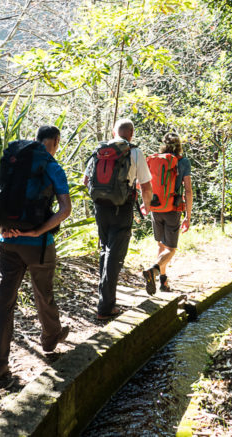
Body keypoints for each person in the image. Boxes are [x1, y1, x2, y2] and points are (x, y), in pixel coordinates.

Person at [0, 126, 72, 382]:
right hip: (38, 245)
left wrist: (2, 227)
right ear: (55, 141)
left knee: (4, 301)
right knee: (43, 293)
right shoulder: (51, 165)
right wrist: (39, 231)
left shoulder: (13, 162)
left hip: (7, 242)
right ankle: (49, 338)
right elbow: (65, 209)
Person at [84, 118, 153, 320]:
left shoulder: (100, 150)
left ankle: (105, 300)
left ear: (114, 132)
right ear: (131, 133)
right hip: (122, 208)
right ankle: (106, 307)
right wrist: (146, 206)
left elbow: (85, 180)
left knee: (105, 249)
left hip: (100, 208)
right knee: (114, 255)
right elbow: (146, 186)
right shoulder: (134, 151)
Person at [142, 132, 193, 294]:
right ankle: (154, 270)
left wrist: (146, 204)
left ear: (163, 144)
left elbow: (144, 184)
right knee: (170, 249)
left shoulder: (155, 159)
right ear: (179, 145)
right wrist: (188, 216)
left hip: (156, 207)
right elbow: (188, 190)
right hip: (172, 208)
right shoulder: (183, 162)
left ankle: (163, 282)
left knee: (161, 245)